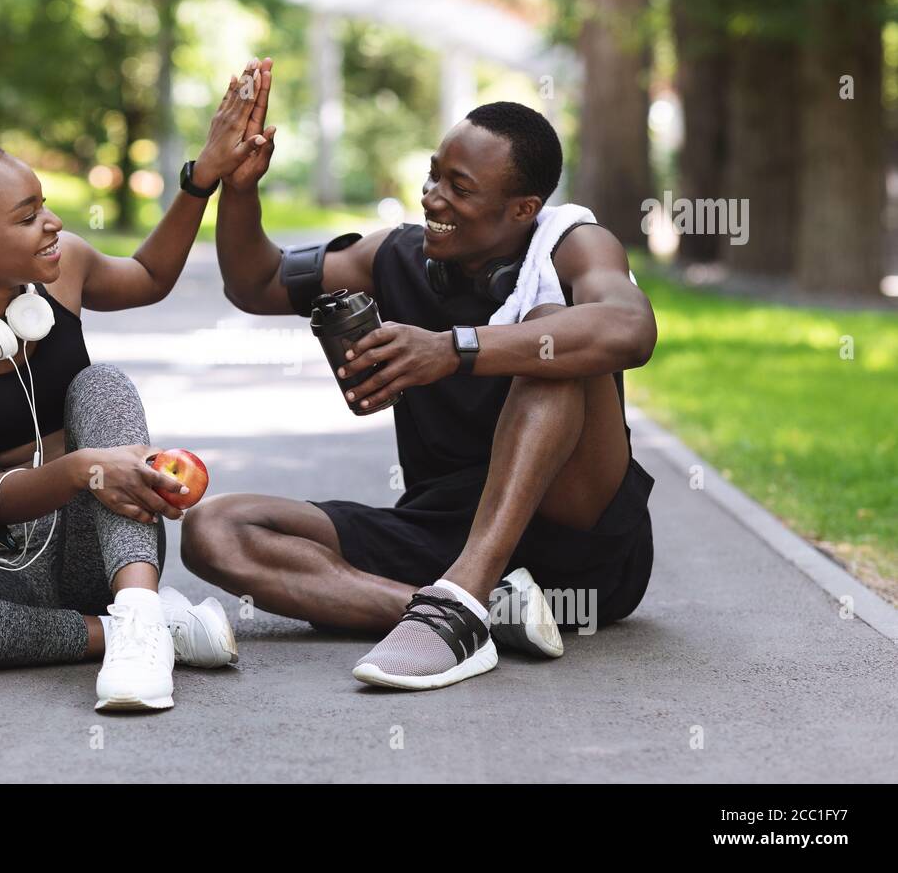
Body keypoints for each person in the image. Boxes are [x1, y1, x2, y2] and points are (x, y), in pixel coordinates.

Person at [181, 58, 658, 691]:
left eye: (460, 188)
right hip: (440, 531)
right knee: (215, 529)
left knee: (550, 330)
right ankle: (454, 613)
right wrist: (239, 187)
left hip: (581, 541)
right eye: (434, 177)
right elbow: (256, 281)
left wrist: (455, 348)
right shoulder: (397, 255)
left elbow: (630, 330)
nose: (434, 198)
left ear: (523, 210)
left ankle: (463, 596)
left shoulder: (572, 247)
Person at [0, 61, 272, 712]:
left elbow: (150, 275)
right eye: (28, 214)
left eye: (45, 204)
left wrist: (201, 176)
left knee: (102, 384)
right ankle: (121, 633)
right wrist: (80, 469)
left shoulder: (64, 271)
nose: (54, 222)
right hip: (0, 554)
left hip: (99, 544)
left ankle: (137, 611)